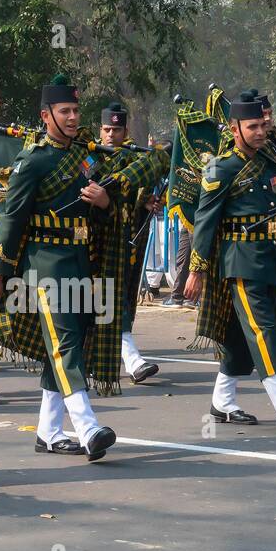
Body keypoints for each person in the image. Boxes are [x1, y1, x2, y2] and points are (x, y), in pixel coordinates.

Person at [0, 74, 120, 460]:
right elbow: (11, 220)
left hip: (79, 260)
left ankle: (49, 431)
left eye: (76, 110)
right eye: (65, 111)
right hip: (43, 264)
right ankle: (88, 426)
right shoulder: (33, 160)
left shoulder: (87, 157)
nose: (74, 117)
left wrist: (105, 202)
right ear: (46, 116)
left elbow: (106, 214)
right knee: (64, 343)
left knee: (65, 343)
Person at [184, 90, 276, 429]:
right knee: (262, 328)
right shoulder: (221, 169)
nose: (261, 132)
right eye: (252, 127)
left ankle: (222, 402)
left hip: (271, 257)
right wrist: (197, 270)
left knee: (240, 333)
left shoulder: (271, 163)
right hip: (239, 260)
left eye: (263, 125)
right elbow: (205, 222)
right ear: (235, 129)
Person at [99, 101, 169, 384]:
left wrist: (148, 200)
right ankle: (130, 358)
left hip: (130, 237)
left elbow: (141, 187)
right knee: (106, 299)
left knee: (124, 296)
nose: (111, 135)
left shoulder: (136, 157)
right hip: (100, 240)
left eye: (116, 130)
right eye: (106, 129)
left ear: (126, 130)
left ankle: (113, 356)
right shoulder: (92, 156)